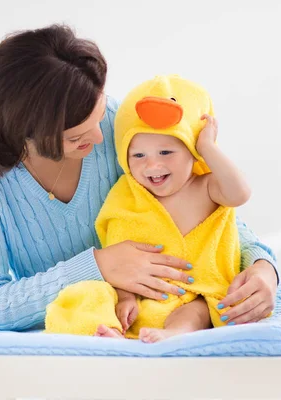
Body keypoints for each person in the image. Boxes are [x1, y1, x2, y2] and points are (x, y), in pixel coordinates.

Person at [0, 24, 278, 334]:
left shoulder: (119, 124)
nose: (101, 137)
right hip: (80, 326)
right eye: (77, 137)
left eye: (100, 113)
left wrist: (263, 266)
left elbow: (207, 211)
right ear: (25, 134)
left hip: (161, 311)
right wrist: (99, 266)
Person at [45, 75, 255, 343]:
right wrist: (125, 298)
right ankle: (108, 332)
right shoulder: (128, 196)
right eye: (139, 156)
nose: (152, 166)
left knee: (197, 310)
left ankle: (175, 334)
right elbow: (119, 254)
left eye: (166, 153)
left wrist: (208, 147)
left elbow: (240, 193)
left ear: (193, 151)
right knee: (89, 294)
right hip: (141, 297)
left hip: (191, 293)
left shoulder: (206, 187)